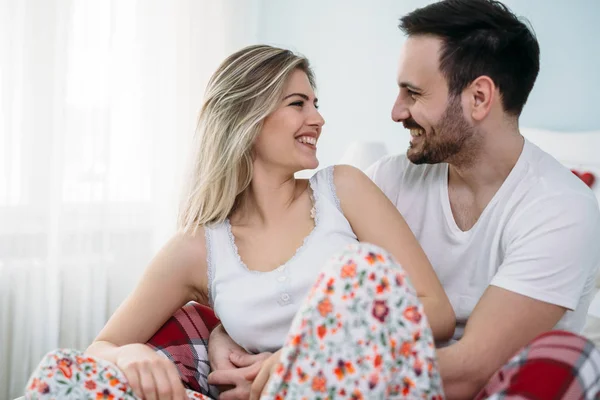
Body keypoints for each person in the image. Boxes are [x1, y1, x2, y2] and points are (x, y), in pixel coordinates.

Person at [208, 0, 600, 399]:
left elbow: (470, 371)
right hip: (365, 383)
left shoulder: (560, 210)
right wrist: (223, 331)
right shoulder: (388, 180)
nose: (396, 112)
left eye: (413, 93)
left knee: (574, 356)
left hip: (479, 388)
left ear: (479, 98)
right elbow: (307, 297)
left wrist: (303, 364)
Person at [25, 44, 455, 399]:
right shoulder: (198, 247)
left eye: (315, 104)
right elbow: (99, 347)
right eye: (297, 103)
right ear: (247, 118)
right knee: (61, 375)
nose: (318, 119)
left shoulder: (344, 189)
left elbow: (435, 314)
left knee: (358, 272)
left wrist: (293, 361)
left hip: (352, 386)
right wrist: (129, 355)